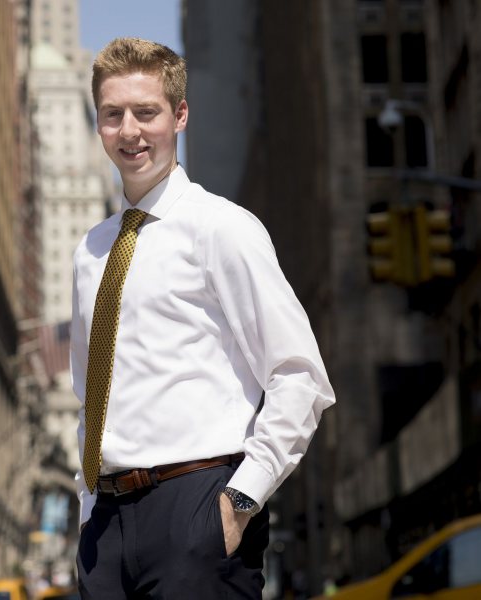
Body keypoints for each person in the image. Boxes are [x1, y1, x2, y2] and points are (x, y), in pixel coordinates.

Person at [71, 37, 335, 599]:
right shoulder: (90, 251)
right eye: (113, 114)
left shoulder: (223, 227)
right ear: (98, 123)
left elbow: (298, 376)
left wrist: (240, 501)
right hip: (106, 532)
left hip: (197, 504)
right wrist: (87, 513)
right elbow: (91, 395)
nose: (130, 131)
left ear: (180, 116)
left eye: (147, 112)